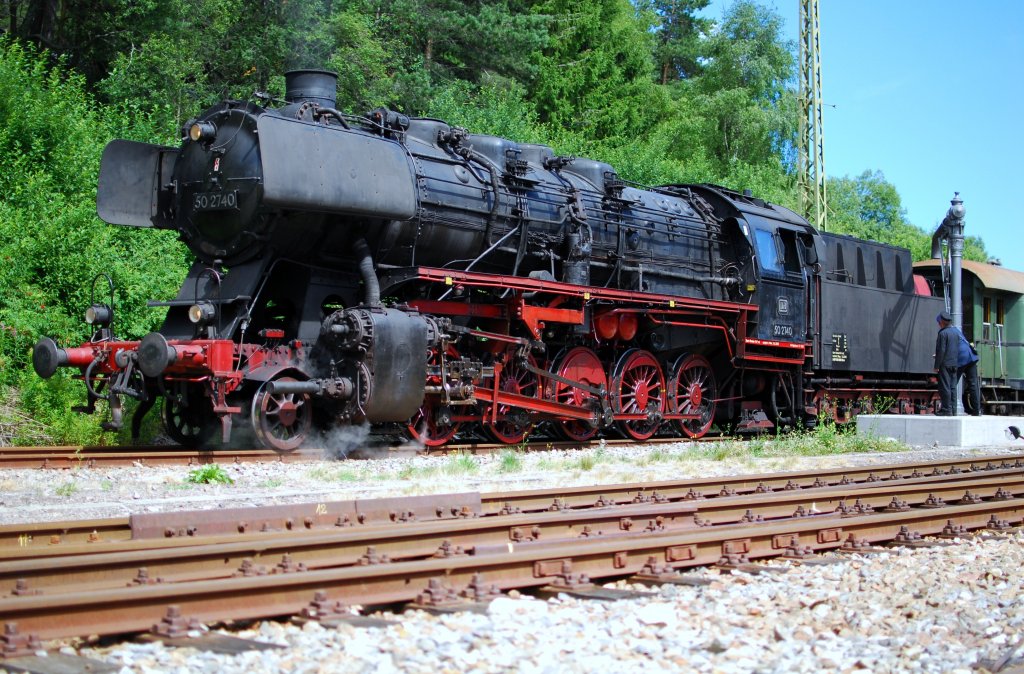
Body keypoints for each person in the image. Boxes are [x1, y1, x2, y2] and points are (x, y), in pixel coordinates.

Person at [934, 311, 958, 415]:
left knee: (945, 386)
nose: (938, 324)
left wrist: (936, 365)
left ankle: (946, 409)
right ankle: (953, 410)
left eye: (939, 322)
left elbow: (941, 350)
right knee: (953, 387)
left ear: (942, 322)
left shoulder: (942, 333)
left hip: (945, 364)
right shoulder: (955, 332)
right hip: (954, 363)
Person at [956, 325, 982, 415]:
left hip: (962, 359)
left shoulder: (946, 333)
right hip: (971, 358)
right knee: (973, 384)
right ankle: (977, 410)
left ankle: (950, 408)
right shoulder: (958, 332)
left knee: (952, 383)